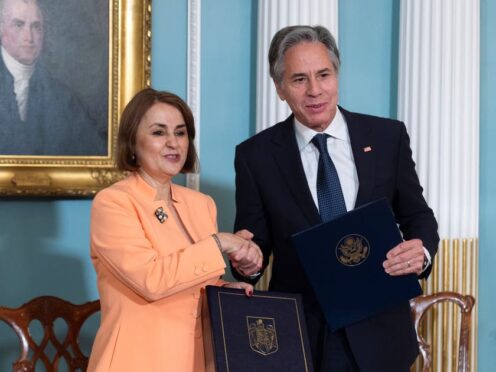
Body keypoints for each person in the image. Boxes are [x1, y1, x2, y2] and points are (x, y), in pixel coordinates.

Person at [232, 25, 439, 372]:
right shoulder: (256, 156)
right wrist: (246, 261)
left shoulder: (388, 137)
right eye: (299, 79)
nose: (315, 90)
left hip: (381, 333)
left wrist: (423, 250)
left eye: (323, 75)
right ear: (280, 88)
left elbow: (418, 215)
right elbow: (254, 243)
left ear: (336, 75)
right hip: (302, 336)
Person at [87, 88, 263, 371]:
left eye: (180, 133)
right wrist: (219, 243)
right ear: (133, 142)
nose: (173, 143)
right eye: (159, 133)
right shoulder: (113, 203)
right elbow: (152, 280)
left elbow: (192, 283)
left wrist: (226, 290)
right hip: (138, 360)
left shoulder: (202, 204)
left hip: (198, 360)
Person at [0, 0, 105, 155]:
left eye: (36, 27)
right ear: (1, 29)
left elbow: (96, 154)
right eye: (18, 25)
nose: (29, 37)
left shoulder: (64, 99)